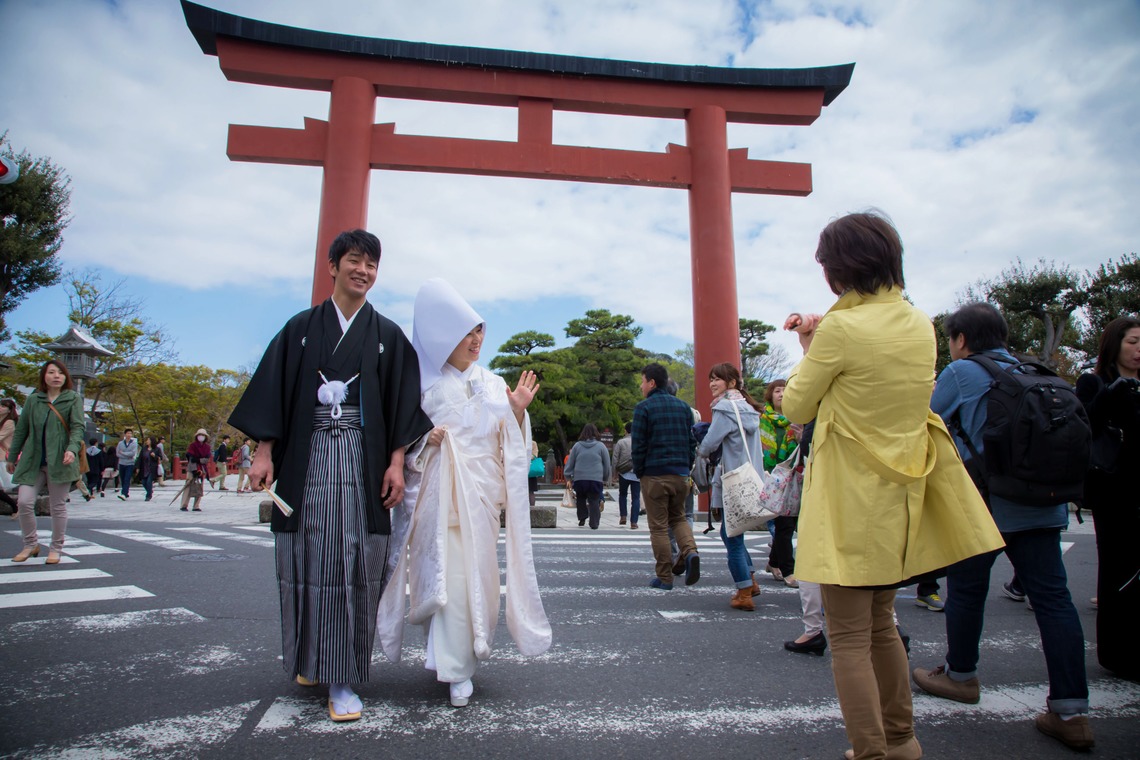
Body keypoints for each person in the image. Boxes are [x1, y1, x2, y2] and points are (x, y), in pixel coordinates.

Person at [782, 212, 1003, 760]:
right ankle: (902, 740)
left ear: (840, 268)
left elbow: (795, 404)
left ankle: (870, 751)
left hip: (847, 504)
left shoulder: (842, 328)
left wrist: (812, 342)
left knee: (850, 639)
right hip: (898, 500)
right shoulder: (918, 321)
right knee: (882, 624)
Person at [230, 229, 433, 723]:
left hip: (363, 466)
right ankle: (309, 659)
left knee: (353, 566)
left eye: (372, 265)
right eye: (355, 261)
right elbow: (275, 393)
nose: (363, 272)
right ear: (333, 266)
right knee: (304, 560)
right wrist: (263, 452)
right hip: (307, 461)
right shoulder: (301, 328)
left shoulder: (385, 335)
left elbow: (402, 404)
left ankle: (341, 679)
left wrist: (395, 462)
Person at [912, 302, 1094, 750]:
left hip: (986, 505)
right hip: (1043, 504)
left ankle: (961, 676)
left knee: (968, 590)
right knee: (1054, 600)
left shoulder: (962, 373)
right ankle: (1071, 712)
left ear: (959, 340)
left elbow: (923, 422)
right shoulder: (1039, 371)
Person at [377, 277, 550, 709]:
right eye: (466, 332)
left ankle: (453, 657)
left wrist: (515, 411)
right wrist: (424, 444)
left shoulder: (492, 382)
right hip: (438, 497)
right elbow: (399, 443)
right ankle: (455, 669)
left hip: (479, 499)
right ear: (441, 337)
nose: (476, 340)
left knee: (481, 583)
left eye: (479, 331)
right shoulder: (419, 386)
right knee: (448, 581)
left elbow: (507, 440)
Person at [1075, 316, 1140, 681]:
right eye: (1132, 342)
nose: (1138, 350)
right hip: (1113, 487)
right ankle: (1118, 653)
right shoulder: (1094, 381)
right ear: (1114, 344)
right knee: (1118, 567)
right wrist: (1110, 397)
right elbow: (1083, 425)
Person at [696, 363, 763, 611]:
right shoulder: (749, 410)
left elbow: (709, 445)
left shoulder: (724, 409)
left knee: (731, 535)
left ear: (731, 383)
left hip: (732, 481)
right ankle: (751, 581)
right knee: (734, 532)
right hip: (750, 478)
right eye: (711, 379)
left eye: (717, 380)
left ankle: (744, 591)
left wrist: (700, 446)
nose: (712, 384)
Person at [6, 360, 85, 564]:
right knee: (24, 502)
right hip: (33, 460)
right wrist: (13, 456)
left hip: (60, 461)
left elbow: (77, 427)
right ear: (44, 377)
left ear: (66, 377)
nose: (56, 376)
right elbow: (21, 430)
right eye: (51, 372)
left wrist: (72, 449)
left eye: (60, 372)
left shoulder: (72, 399)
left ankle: (56, 547)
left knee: (57, 505)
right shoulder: (34, 400)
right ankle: (30, 543)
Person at [632, 362, 699, 590]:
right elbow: (692, 442)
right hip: (680, 473)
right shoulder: (683, 408)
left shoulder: (644, 408)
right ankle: (690, 552)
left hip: (654, 473)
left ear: (651, 382)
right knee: (679, 518)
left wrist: (640, 471)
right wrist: (686, 466)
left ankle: (664, 576)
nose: (641, 386)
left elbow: (638, 445)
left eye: (642, 381)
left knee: (659, 527)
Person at [758, 379, 800, 587]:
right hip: (770, 474)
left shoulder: (798, 418)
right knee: (784, 524)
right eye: (777, 390)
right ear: (770, 395)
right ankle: (788, 570)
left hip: (793, 474)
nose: (781, 394)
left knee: (787, 523)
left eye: (785, 390)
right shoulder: (763, 419)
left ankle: (774, 561)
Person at [564, 423, 611, 530]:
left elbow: (570, 463)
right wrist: (605, 476)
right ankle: (594, 523)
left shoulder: (577, 446)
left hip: (580, 478)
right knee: (594, 500)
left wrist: (568, 477)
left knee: (580, 498)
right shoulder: (601, 446)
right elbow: (607, 464)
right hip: (595, 479)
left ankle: (582, 518)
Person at [609, 421, 641, 528]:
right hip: (637, 474)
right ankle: (634, 522)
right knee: (635, 498)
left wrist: (614, 473)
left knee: (622, 495)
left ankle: (623, 516)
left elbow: (615, 459)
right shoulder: (640, 442)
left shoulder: (621, 442)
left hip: (623, 473)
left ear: (626, 430)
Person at [181, 429, 211, 512]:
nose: (201, 436)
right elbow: (191, 459)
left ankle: (196, 505)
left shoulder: (207, 447)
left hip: (202, 469)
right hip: (192, 468)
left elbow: (206, 460)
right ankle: (184, 504)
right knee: (188, 485)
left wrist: (198, 460)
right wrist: (195, 469)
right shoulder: (192, 446)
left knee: (199, 487)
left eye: (202, 435)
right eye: (199, 435)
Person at [0, 399, 19, 514]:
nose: (0, 407)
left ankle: (16, 506)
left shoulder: (9, 422)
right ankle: (15, 507)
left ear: (9, 410)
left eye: (4, 406)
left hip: (1, 456)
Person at [115, 428, 138, 500]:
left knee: (127, 479)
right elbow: (118, 453)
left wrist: (123, 453)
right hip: (121, 463)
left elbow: (132, 453)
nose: (129, 435)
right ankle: (126, 492)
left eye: (130, 433)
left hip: (130, 463)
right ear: (125, 434)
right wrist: (126, 454)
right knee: (122, 478)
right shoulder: (120, 443)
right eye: (128, 433)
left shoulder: (134, 443)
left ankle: (124, 493)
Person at [138, 437, 158, 502]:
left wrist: (154, 456)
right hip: (144, 467)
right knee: (144, 482)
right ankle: (149, 491)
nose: (147, 441)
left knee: (149, 481)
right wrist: (137, 467)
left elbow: (159, 458)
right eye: (147, 440)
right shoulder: (144, 449)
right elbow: (140, 458)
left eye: (149, 440)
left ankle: (148, 496)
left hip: (152, 468)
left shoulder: (156, 449)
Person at [527, 441, 543, 507]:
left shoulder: (532, 443)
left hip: (530, 470)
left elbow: (535, 455)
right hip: (525, 469)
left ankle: (532, 507)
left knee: (531, 491)